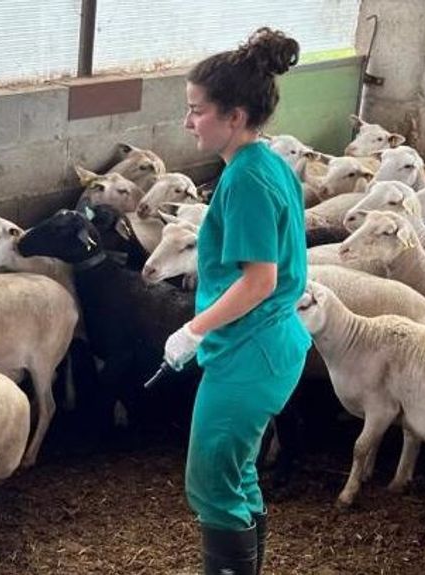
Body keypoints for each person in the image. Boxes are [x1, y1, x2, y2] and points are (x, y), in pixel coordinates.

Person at [161, 28, 310, 575]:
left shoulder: (246, 179)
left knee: (211, 480)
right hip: (266, 344)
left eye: (196, 110)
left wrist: (193, 329)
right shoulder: (266, 161)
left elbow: (260, 280)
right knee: (236, 472)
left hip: (252, 350)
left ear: (235, 115)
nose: (188, 121)